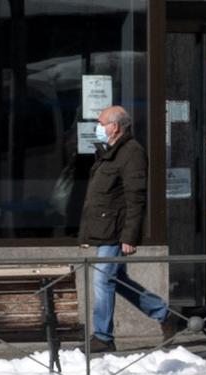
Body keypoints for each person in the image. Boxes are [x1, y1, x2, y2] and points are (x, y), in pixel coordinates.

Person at [79, 105, 181, 351]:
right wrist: (86, 234)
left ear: (114, 126)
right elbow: (99, 197)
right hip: (105, 228)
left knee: (103, 280)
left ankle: (103, 337)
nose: (98, 127)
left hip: (116, 230)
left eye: (101, 122)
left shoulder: (131, 152)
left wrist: (130, 236)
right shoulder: (108, 152)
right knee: (117, 279)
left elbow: (135, 197)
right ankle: (166, 315)